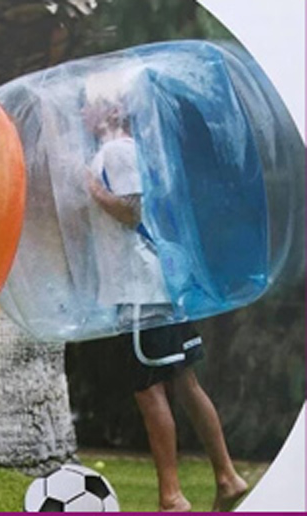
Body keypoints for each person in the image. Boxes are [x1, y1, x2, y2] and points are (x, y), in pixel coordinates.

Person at [82, 85, 248, 512]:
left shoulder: (116, 152)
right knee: (186, 383)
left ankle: (171, 496)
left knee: (149, 391)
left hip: (140, 291)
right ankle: (227, 477)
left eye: (90, 102)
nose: (83, 110)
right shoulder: (128, 150)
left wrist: (92, 190)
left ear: (112, 110)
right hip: (156, 284)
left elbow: (132, 210)